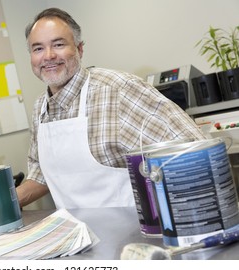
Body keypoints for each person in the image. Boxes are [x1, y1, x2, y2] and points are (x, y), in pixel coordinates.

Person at [16, 7, 206, 209]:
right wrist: (3, 202)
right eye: (38, 48)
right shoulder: (40, 108)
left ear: (80, 49)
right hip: (77, 233)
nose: (48, 56)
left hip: (134, 234)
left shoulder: (118, 91)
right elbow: (41, 171)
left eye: (59, 44)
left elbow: (194, 151)